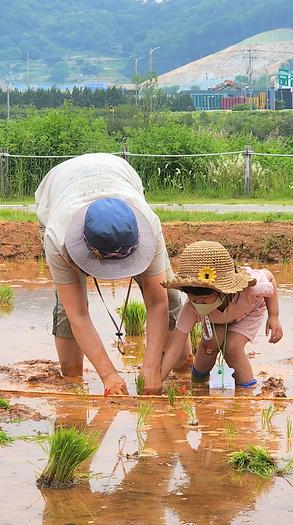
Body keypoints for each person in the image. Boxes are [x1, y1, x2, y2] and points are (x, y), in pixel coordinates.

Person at [35, 153, 186, 395]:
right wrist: (109, 375)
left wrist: (151, 366)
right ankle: (72, 382)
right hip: (61, 189)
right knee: (67, 305)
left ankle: (182, 371)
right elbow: (78, 314)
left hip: (117, 175)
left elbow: (158, 302)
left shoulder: (147, 222)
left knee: (170, 295)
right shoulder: (59, 235)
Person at [159, 241, 283, 388]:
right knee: (209, 345)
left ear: (222, 291)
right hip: (216, 317)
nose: (199, 304)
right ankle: (198, 385)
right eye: (193, 299)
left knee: (232, 348)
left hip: (249, 311)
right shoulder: (192, 308)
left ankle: (246, 394)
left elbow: (270, 277)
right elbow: (175, 347)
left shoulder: (252, 288)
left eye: (205, 300)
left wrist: (273, 315)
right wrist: (158, 378)